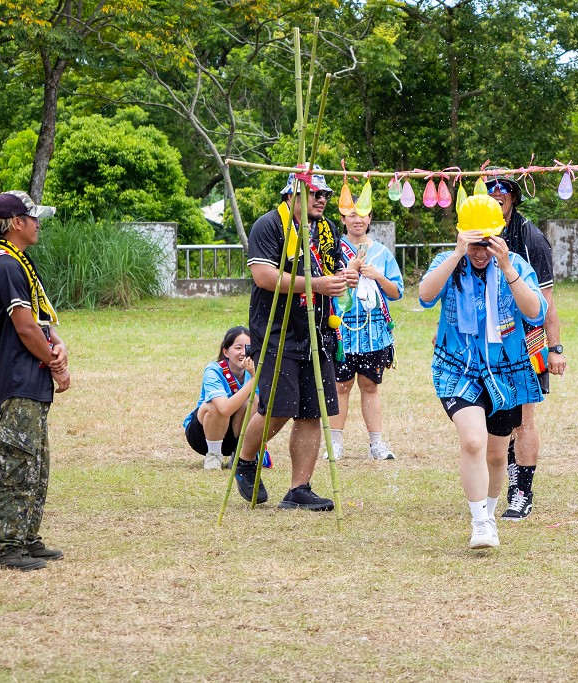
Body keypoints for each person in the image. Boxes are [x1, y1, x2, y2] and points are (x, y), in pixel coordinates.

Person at [419, 194, 547, 549]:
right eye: (474, 243)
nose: (480, 252)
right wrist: (458, 254)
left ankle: (488, 516)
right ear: (462, 236)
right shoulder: (449, 261)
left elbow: (535, 311)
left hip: (506, 372)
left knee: (494, 453)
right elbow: (425, 296)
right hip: (456, 368)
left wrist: (506, 268)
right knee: (472, 440)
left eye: (486, 243)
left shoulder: (515, 264)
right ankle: (479, 522)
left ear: (500, 235)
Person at [233, 167, 358, 510]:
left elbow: (331, 272)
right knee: (278, 407)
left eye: (325, 195)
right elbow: (264, 276)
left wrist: (345, 277)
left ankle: (299, 488)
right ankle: (245, 459)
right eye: (315, 194)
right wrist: (317, 284)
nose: (322, 200)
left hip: (317, 330)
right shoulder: (270, 225)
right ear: (293, 195)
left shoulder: (327, 230)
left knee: (311, 412)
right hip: (277, 331)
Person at [0, 191, 70, 571]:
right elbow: (24, 326)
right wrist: (56, 363)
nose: (38, 225)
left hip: (29, 380)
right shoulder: (6, 266)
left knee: (36, 463)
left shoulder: (19, 262)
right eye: (34, 218)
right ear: (17, 222)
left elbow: (40, 322)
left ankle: (26, 538)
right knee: (17, 464)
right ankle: (3, 547)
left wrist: (58, 344)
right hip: (18, 379)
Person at [486, 173, 566, 521]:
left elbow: (546, 302)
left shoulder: (530, 238)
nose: (496, 196)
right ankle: (494, 486)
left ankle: (522, 493)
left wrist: (556, 348)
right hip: (487, 339)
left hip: (527, 338)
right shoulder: (477, 230)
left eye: (502, 192)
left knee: (523, 419)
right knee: (493, 416)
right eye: (490, 192)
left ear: (513, 198)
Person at [328, 205, 404, 460]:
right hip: (342, 331)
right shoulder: (333, 251)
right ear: (343, 219)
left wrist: (378, 276)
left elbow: (397, 292)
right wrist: (348, 272)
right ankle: (335, 443)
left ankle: (377, 444)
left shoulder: (382, 253)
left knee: (370, 386)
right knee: (341, 386)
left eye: (362, 214)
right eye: (351, 215)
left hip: (374, 332)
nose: (357, 219)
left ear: (370, 218)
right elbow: (324, 287)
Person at [184, 326, 258, 470]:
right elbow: (224, 409)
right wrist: (253, 381)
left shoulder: (255, 371)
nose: (243, 353)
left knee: (254, 400)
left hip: (235, 435)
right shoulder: (214, 371)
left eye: (248, 348)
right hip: (203, 436)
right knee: (215, 406)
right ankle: (213, 456)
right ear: (226, 352)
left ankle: (240, 454)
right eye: (238, 348)